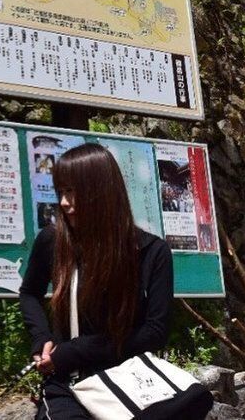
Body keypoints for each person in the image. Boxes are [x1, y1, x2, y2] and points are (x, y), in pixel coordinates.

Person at [19, 143, 211, 419]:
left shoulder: (150, 251)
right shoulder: (53, 241)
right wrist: (42, 338)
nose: (63, 203)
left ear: (101, 192)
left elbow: (155, 331)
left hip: (131, 377)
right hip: (71, 382)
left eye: (72, 192)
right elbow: (29, 293)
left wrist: (76, 349)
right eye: (60, 191)